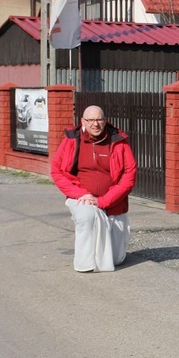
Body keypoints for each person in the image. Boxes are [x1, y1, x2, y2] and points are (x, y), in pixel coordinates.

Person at [51, 105, 137, 272]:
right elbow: (57, 170)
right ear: (83, 121)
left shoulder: (118, 141)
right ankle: (84, 264)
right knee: (86, 216)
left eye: (99, 119)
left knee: (116, 259)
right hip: (82, 198)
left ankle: (107, 254)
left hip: (112, 202)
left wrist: (104, 201)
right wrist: (81, 194)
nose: (95, 124)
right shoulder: (71, 140)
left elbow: (129, 175)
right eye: (90, 120)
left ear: (105, 121)